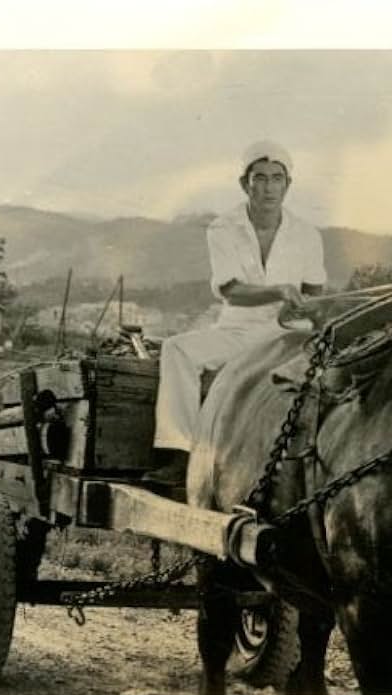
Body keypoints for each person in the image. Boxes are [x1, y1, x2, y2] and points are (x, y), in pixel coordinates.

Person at [146, 140, 326, 486]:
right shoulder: (223, 228)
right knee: (177, 349)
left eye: (277, 178)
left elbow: (315, 293)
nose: (268, 187)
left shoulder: (307, 235)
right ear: (245, 183)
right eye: (260, 178)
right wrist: (279, 291)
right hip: (238, 332)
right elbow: (230, 290)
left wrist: (313, 309)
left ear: (288, 185)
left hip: (289, 335)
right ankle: (179, 452)